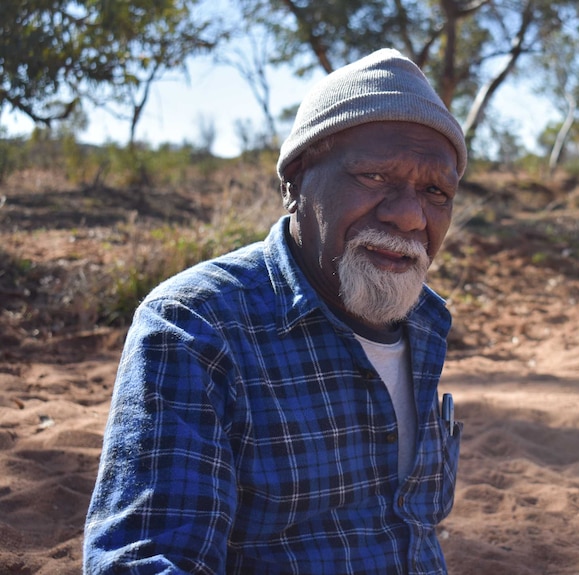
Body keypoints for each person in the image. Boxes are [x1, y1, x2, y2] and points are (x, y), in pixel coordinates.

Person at [83, 48, 467, 574]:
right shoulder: (196, 327)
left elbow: (408, 527)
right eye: (376, 176)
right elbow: (146, 559)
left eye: (435, 191)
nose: (407, 215)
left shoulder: (424, 320)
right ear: (295, 181)